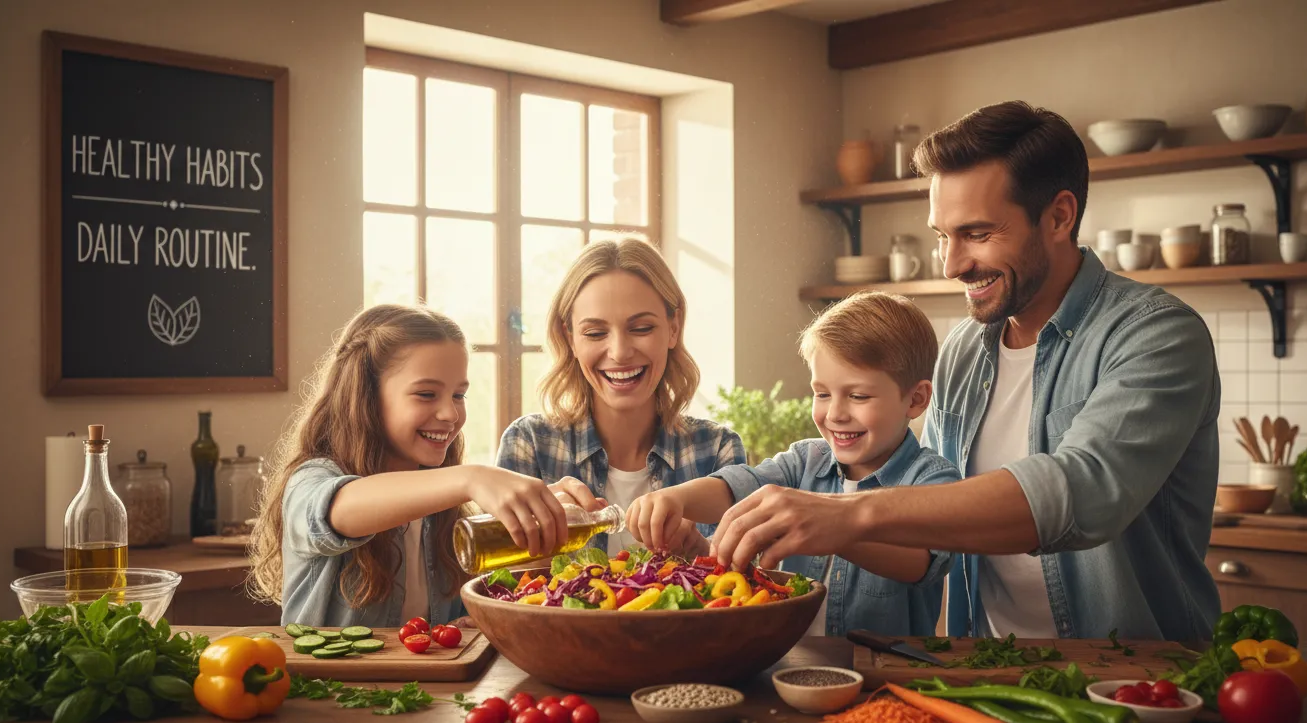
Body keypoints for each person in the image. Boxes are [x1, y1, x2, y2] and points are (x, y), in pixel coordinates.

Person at [710, 101, 1221, 642]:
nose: (951, 264)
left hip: (1138, 680)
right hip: (985, 671)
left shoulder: (1157, 334)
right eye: (941, 235)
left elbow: (1082, 491)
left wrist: (851, 514)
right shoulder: (964, 349)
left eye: (976, 233)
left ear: (1059, 216)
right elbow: (929, 515)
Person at [628, 292, 958, 636]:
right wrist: (677, 498)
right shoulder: (805, 461)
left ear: (916, 399)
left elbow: (922, 562)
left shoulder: (931, 479)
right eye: (822, 393)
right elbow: (738, 487)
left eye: (858, 396)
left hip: (881, 676)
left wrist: (834, 530)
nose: (835, 414)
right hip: (788, 665)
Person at [248, 304, 573, 628]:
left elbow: (461, 619)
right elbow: (338, 511)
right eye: (426, 394)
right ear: (366, 397)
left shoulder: (444, 510)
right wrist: (472, 478)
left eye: (458, 395)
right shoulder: (312, 479)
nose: (450, 413)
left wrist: (549, 519)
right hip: (333, 681)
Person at [497, 237, 746, 556]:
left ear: (673, 327)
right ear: (569, 338)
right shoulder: (528, 444)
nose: (620, 352)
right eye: (595, 333)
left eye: (641, 328)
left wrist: (700, 550)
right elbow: (500, 586)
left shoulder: (717, 450)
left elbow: (745, 589)